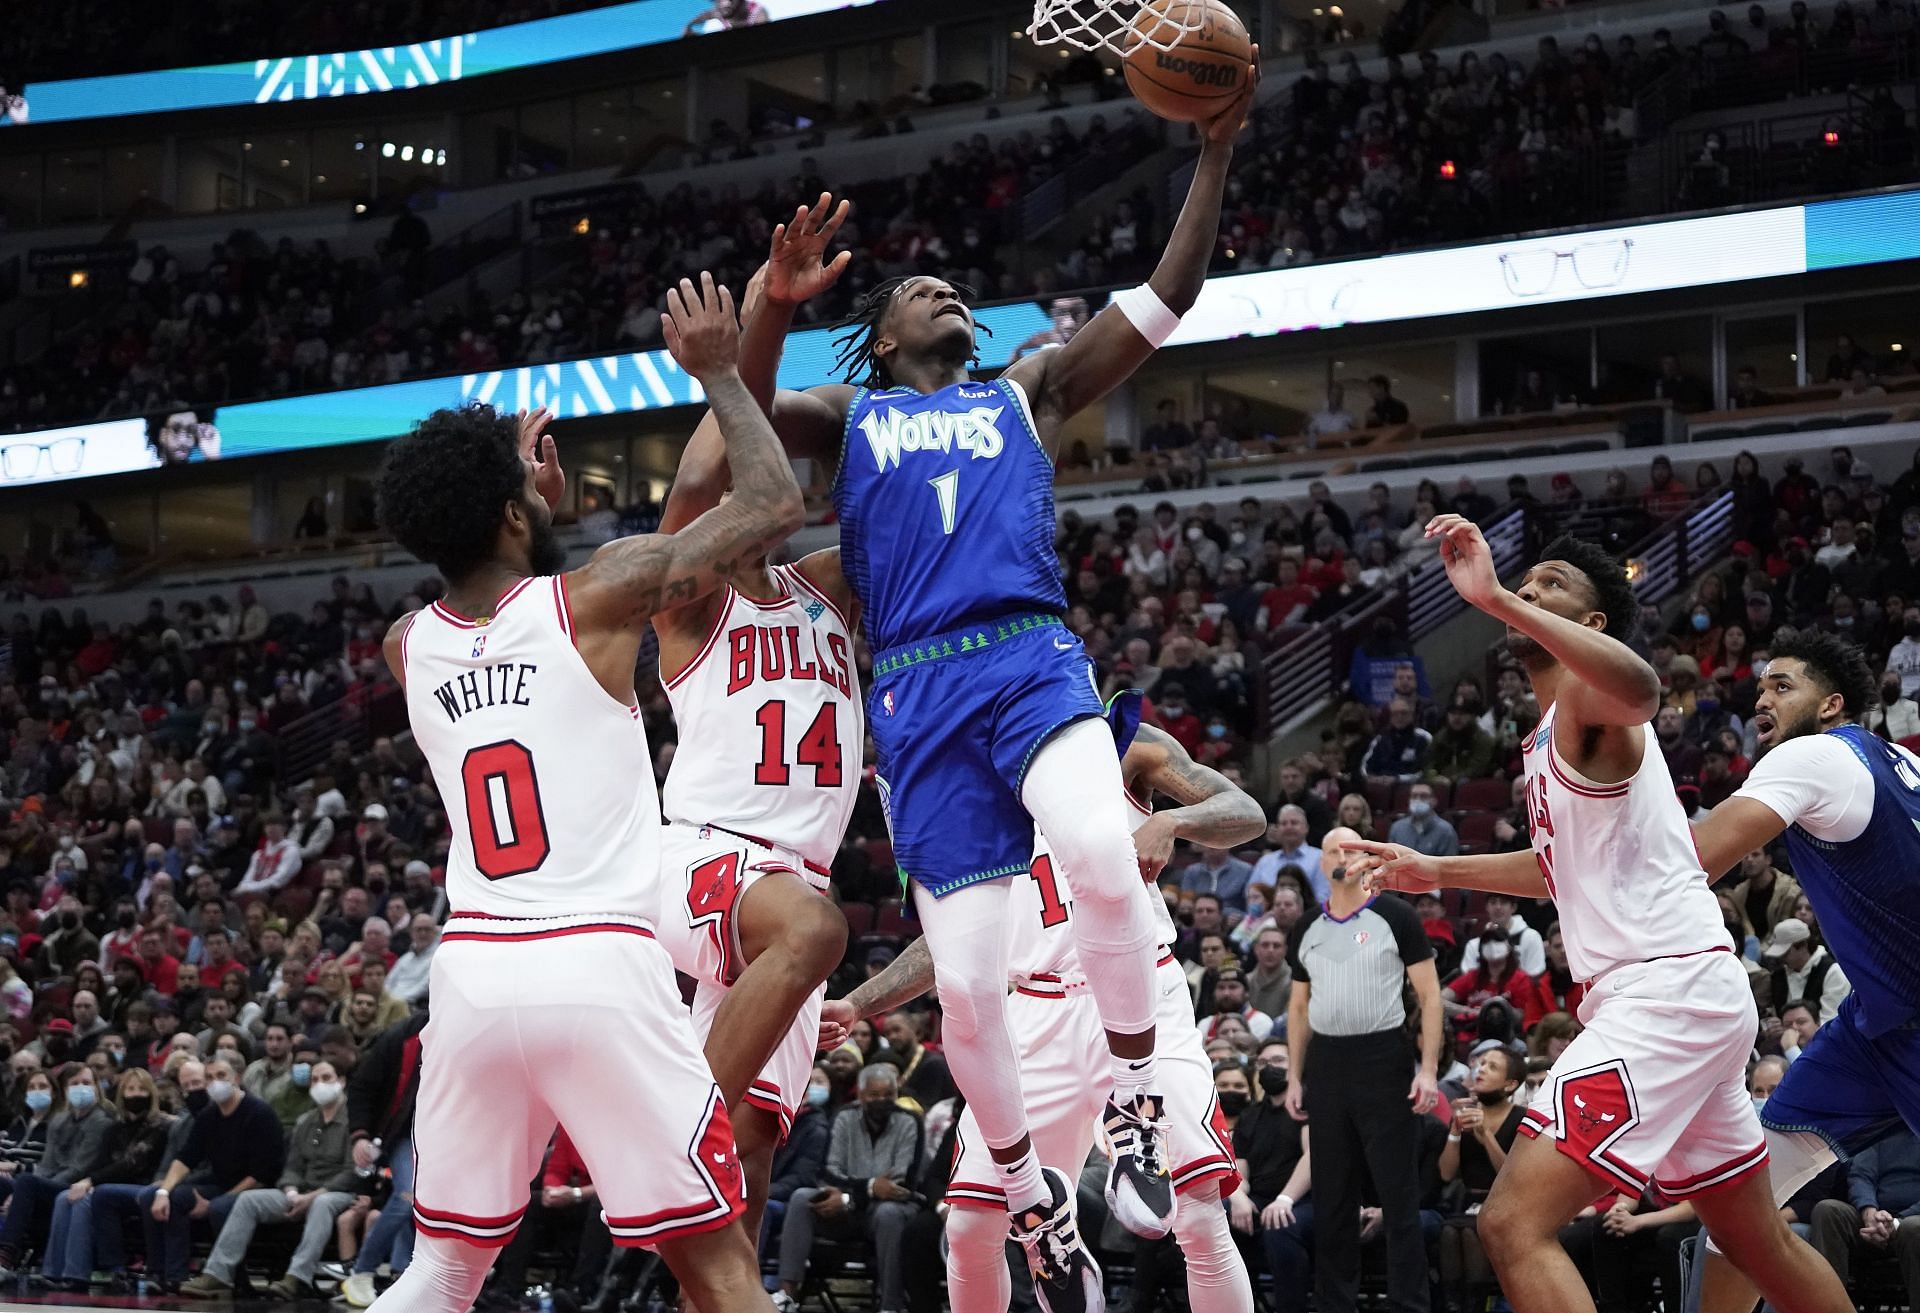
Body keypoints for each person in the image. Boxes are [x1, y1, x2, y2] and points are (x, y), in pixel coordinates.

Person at [751, 63, 1259, 1313]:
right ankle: (1034, 1196)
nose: (949, 291)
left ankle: (1139, 1094)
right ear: (879, 337)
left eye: (957, 288)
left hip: (1027, 651)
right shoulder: (846, 415)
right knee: (968, 985)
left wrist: (1212, 153)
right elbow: (744, 405)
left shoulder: (1023, 390)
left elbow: (1169, 294)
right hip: (916, 695)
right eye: (923, 287)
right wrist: (769, 302)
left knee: (1096, 843)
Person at [366, 273, 804, 1313]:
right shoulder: (598, 594)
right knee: (717, 1259)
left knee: (443, 1265)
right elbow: (774, 500)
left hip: (471, 978)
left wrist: (511, 508)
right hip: (597, 962)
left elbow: (491, 591)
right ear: (517, 511)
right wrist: (716, 374)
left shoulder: (406, 646)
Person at [1353, 524, 1852, 1313]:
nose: (1529, 591)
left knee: (1512, 1222)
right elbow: (1560, 868)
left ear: (1592, 629)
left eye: (1551, 585)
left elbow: (1642, 689)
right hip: (1689, 994)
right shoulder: (1552, 735)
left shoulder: (1593, 699)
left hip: (1665, 994)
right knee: (1762, 1245)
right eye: (1527, 582)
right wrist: (1434, 870)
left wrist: (1492, 598)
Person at [823, 716, 1266, 1313]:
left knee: (1196, 1212)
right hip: (1032, 1008)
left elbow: (1246, 813)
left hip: (1138, 992)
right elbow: (947, 938)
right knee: (970, 1226)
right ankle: (1053, 1234)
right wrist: (859, 1001)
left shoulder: (1122, 741)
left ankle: (1136, 1129)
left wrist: (1174, 819)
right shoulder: (965, 782)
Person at [647, 247, 858, 1258]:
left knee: (757, 1145)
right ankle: (668, 1133)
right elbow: (702, 469)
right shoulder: (688, 605)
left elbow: (892, 484)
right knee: (816, 930)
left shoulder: (826, 585)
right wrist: (750, 341)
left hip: (791, 889)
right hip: (709, 856)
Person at [1684, 632, 1920, 1313]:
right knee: (1740, 1207)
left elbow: (1692, 860)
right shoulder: (1894, 759)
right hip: (1872, 1027)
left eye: (1783, 685)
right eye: (1759, 687)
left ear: (1830, 704)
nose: (1763, 697)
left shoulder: (1814, 754)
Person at [1283, 828, 1442, 1313]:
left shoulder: (1396, 915)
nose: (1344, 856)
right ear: (1322, 861)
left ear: (1367, 859)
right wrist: (1294, 1074)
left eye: (1353, 848)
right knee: (1331, 1196)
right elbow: (1297, 1008)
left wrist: (1428, 1069)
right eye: (1334, 849)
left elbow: (1430, 996)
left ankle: (1409, 1304)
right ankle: (1335, 1304)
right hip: (1327, 1065)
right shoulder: (1306, 926)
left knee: (1397, 1193)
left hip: (1383, 1060)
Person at [178, 1059, 358, 1299]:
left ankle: (296, 1277)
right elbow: (292, 1167)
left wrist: (312, 1197)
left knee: (322, 1205)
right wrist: (292, 1192)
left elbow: (350, 1172)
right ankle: (217, 1274)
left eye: (326, 1078)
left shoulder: (354, 1121)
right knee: (249, 1200)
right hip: (301, 1192)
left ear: (342, 1082)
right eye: (314, 1080)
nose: (319, 1084)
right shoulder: (306, 1121)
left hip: (336, 1193)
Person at [773, 1064, 921, 1313]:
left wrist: (849, 1193)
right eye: (874, 1095)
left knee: (889, 1213)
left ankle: (890, 1306)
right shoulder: (844, 1117)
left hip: (888, 1210)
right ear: (861, 1095)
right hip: (847, 1207)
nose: (881, 1100)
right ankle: (788, 1295)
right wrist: (865, 1190)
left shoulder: (909, 1122)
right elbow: (830, 1171)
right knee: (801, 1199)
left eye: (888, 1095)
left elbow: (901, 1183)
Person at [140, 1056, 287, 1293]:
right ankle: (170, 1276)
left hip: (257, 1189)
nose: (214, 1082)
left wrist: (218, 1201)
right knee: (161, 1198)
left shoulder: (260, 1113)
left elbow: (262, 1173)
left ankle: (234, 1281)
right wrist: (163, 1191)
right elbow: (187, 1157)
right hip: (221, 1185)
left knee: (220, 1207)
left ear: (236, 1079)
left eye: (221, 1076)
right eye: (209, 1077)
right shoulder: (209, 1116)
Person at [36, 1066, 173, 1292]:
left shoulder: (161, 1125)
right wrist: (88, 1182)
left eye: (141, 1089)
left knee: (87, 1200)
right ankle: (53, 1271)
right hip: (109, 1184)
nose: (135, 1094)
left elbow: (132, 1162)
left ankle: (76, 1274)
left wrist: (90, 1182)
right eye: (130, 1089)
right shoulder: (114, 1127)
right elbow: (101, 1163)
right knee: (65, 1197)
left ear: (151, 1093)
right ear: (122, 1094)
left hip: (144, 1186)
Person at [0, 1063, 112, 1275]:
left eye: (86, 1083)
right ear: (66, 1090)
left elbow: (79, 1168)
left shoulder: (101, 1122)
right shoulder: (60, 1120)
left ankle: (6, 1254)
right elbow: (46, 1165)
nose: (81, 1087)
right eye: (75, 1083)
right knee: (9, 1184)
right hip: (52, 1181)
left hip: (77, 1184)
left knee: (26, 1182)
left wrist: (33, 1187)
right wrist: (21, 1191)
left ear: (97, 1087)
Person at [1227, 1040, 1312, 1313]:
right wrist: (1238, 1197)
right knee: (1216, 1216)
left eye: (1277, 1061)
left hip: (1305, 1200)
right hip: (1260, 1198)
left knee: (1280, 1225)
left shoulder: (1307, 1107)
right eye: (1262, 1063)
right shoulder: (1250, 1116)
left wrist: (1285, 1199)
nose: (1268, 1068)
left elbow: (1313, 1157)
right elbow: (1240, 1169)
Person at [1437, 1046, 1527, 1304]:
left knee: (1468, 1234)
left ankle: (1478, 1303)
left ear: (1510, 1085)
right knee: (1449, 1232)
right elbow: (1446, 1173)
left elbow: (1513, 1178)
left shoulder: (1522, 1119)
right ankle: (1455, 1305)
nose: (1481, 1069)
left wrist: (1486, 1136)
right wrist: (1454, 1132)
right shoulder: (1464, 1116)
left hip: (1505, 1207)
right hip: (1467, 1205)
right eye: (1482, 1063)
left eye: (1492, 1067)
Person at [1806, 1128, 1920, 1301]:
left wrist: (1897, 1222)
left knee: (1913, 1227)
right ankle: (1831, 1305)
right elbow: (1861, 1175)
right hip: (1872, 1218)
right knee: (1828, 1210)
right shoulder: (1883, 1128)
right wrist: (1869, 1211)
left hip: (1912, 1222)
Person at [1761, 918, 1851, 1023]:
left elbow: (1831, 1021)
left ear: (1803, 945)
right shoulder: (1779, 975)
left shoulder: (1833, 972)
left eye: (1785, 953)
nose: (1781, 958)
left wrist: (1790, 1029)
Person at [1385, 782, 1459, 857]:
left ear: (1433, 801)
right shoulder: (1397, 828)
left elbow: (1449, 864)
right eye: (1414, 796)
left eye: (1424, 796)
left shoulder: (1446, 830)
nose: (1418, 800)